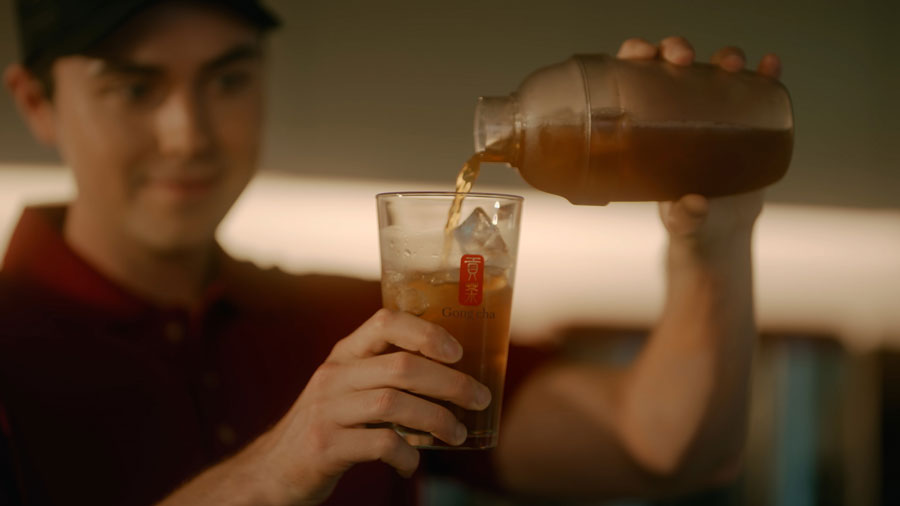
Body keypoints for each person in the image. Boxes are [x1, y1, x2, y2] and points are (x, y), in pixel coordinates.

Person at [0, 0, 782, 504]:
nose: (190, 135)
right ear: (37, 103)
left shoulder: (356, 323)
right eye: (135, 89)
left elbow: (658, 448)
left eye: (228, 81)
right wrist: (271, 474)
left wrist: (711, 241)